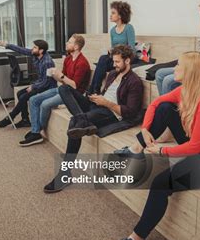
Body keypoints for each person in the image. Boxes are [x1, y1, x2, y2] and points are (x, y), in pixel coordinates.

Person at [110, 51, 200, 240]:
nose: (174, 69)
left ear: (190, 72)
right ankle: (137, 150)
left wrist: (161, 150)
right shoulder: (187, 90)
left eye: (179, 66)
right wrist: (144, 131)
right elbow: (155, 104)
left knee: (161, 183)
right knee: (164, 108)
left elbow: (195, 147)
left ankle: (137, 239)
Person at [43, 45, 143, 193]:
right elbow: (104, 93)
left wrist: (106, 103)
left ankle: (64, 173)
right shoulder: (113, 75)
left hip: (110, 112)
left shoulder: (134, 82)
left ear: (127, 61)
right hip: (97, 104)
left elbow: (131, 112)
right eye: (113, 61)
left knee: (74, 122)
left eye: (117, 62)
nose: (114, 65)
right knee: (64, 88)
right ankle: (82, 120)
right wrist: (95, 97)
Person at [19, 34, 91, 147]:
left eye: (69, 42)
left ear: (76, 47)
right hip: (62, 88)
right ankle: (36, 130)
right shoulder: (68, 59)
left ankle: (36, 131)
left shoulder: (82, 63)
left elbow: (74, 86)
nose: (66, 43)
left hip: (72, 94)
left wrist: (61, 76)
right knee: (33, 99)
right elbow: (63, 81)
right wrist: (54, 75)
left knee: (44, 104)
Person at [0, 39, 57, 128]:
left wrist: (33, 86)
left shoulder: (47, 62)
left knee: (24, 97)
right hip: (40, 83)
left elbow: (47, 82)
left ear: (41, 50)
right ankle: (25, 120)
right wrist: (6, 45)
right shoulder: (36, 54)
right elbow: (21, 50)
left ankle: (11, 117)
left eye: (35, 47)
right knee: (20, 93)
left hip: (48, 87)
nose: (32, 49)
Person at [88, 1, 136, 94]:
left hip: (126, 58)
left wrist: (119, 52)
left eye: (113, 13)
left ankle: (93, 90)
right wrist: (111, 50)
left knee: (102, 60)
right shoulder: (112, 31)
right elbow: (114, 48)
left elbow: (132, 49)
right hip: (115, 58)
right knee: (103, 59)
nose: (111, 15)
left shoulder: (128, 28)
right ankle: (94, 90)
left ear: (120, 15)